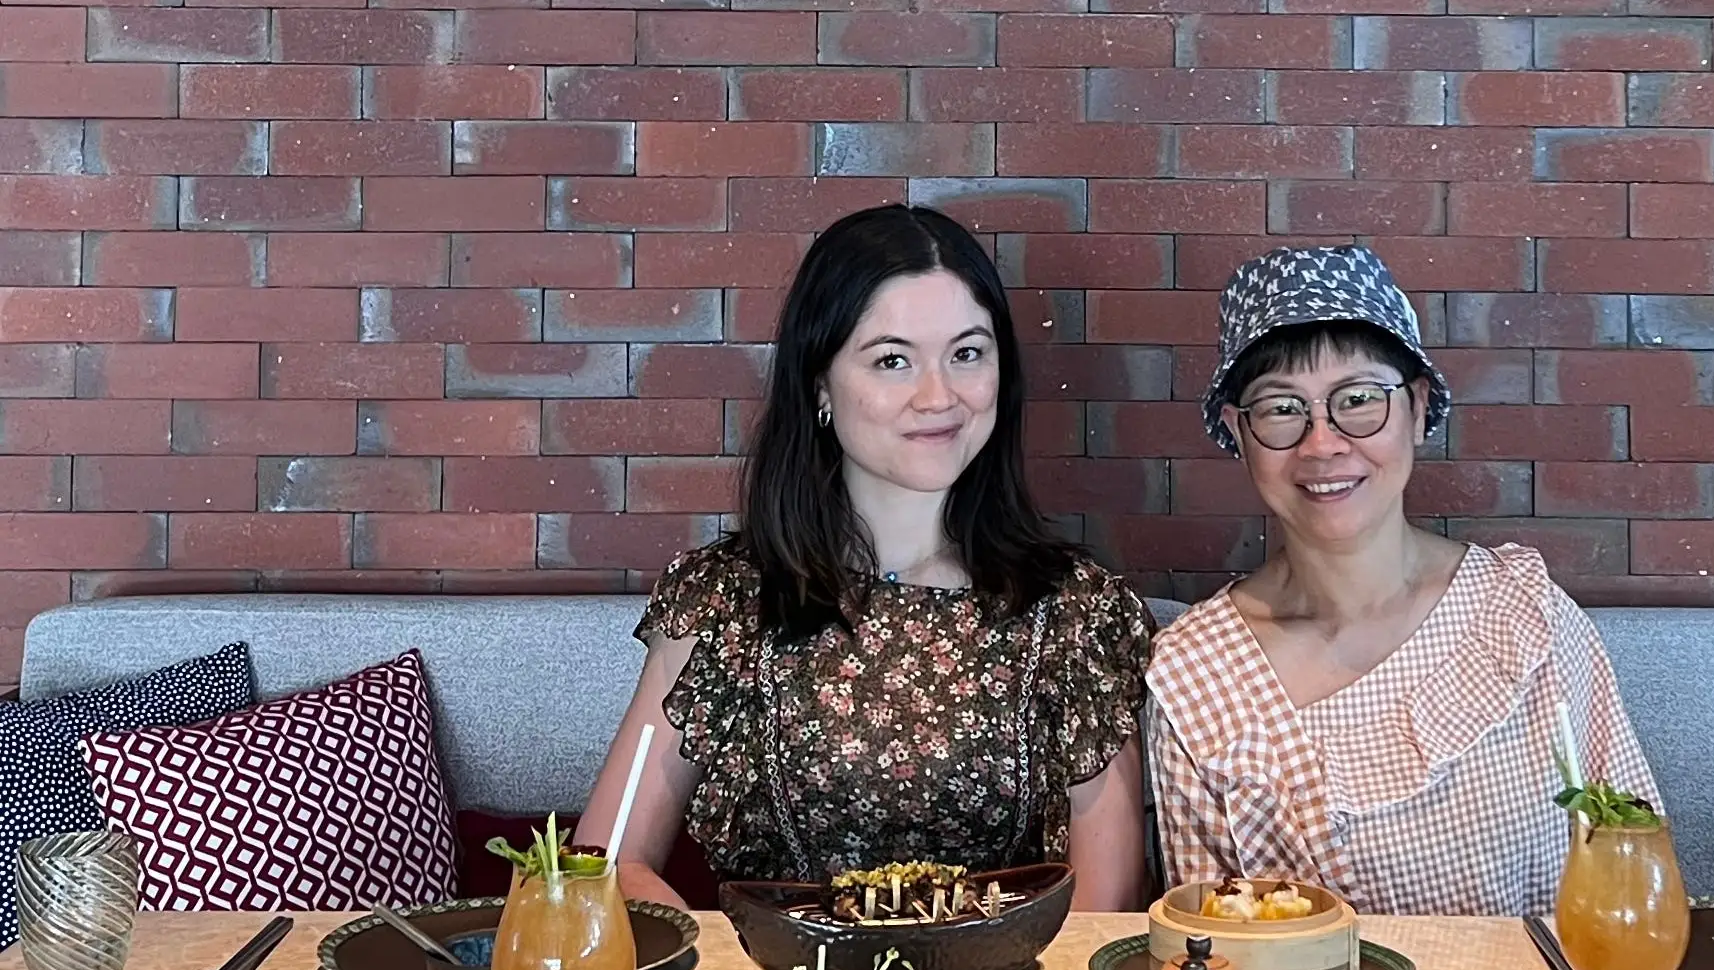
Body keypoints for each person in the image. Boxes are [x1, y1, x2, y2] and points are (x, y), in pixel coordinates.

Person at [575, 205, 1153, 912]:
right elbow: (601, 867)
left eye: (967, 353)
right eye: (891, 359)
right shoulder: (723, 600)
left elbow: (1102, 914)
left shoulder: (1075, 611)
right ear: (819, 384)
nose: (938, 396)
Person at [1147, 245, 1658, 915]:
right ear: (1237, 433)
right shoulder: (1195, 674)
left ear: (1416, 408)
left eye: (1358, 399)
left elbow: (1634, 867)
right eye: (1280, 409)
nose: (1322, 442)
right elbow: (1206, 951)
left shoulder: (1521, 612)